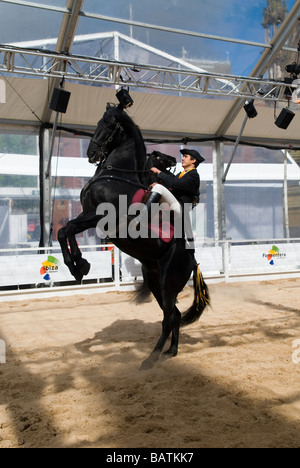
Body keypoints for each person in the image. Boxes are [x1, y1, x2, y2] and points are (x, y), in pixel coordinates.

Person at [130, 149, 205, 248]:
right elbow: (172, 185)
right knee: (156, 188)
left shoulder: (194, 175)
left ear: (193, 161)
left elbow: (175, 183)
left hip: (180, 207)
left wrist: (159, 172)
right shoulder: (182, 174)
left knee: (158, 188)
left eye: (185, 156)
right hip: (174, 204)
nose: (182, 158)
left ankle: (140, 219)